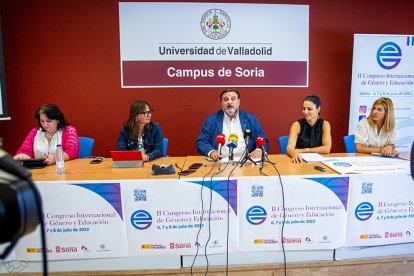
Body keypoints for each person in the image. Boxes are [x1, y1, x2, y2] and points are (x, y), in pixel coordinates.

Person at [196, 88, 269, 161]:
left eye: (233, 99)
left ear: (239, 101)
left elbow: (262, 138)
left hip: (246, 161)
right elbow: (201, 141)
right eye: (226, 99)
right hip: (220, 161)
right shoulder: (211, 120)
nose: (229, 102)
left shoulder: (250, 118)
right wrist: (212, 152)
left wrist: (258, 150)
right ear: (221, 103)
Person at [14, 104, 79, 165]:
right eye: (42, 121)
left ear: (58, 120)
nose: (45, 125)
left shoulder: (69, 130)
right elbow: (25, 151)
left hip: (62, 169)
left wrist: (56, 158)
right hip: (41, 172)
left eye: (49, 121)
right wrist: (20, 157)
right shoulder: (34, 132)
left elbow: (72, 152)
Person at [286, 95, 332, 163]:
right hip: (300, 161)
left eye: (309, 109)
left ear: (318, 109)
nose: (305, 112)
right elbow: (289, 148)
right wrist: (294, 154)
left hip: (319, 161)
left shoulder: (325, 124)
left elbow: (327, 149)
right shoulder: (296, 125)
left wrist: (305, 150)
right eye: (304, 109)